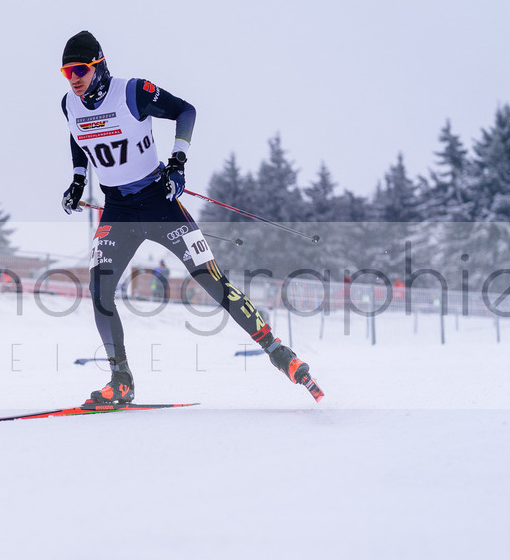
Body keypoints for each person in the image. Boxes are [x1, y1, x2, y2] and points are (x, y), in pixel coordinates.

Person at [59, 30, 318, 405]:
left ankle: (279, 352)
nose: (74, 79)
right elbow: (76, 136)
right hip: (117, 210)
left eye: (80, 69)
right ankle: (121, 380)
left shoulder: (132, 92)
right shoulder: (69, 103)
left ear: (98, 65)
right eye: (67, 72)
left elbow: (186, 110)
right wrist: (78, 181)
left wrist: (178, 162)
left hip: (159, 202)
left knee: (211, 281)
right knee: (99, 292)